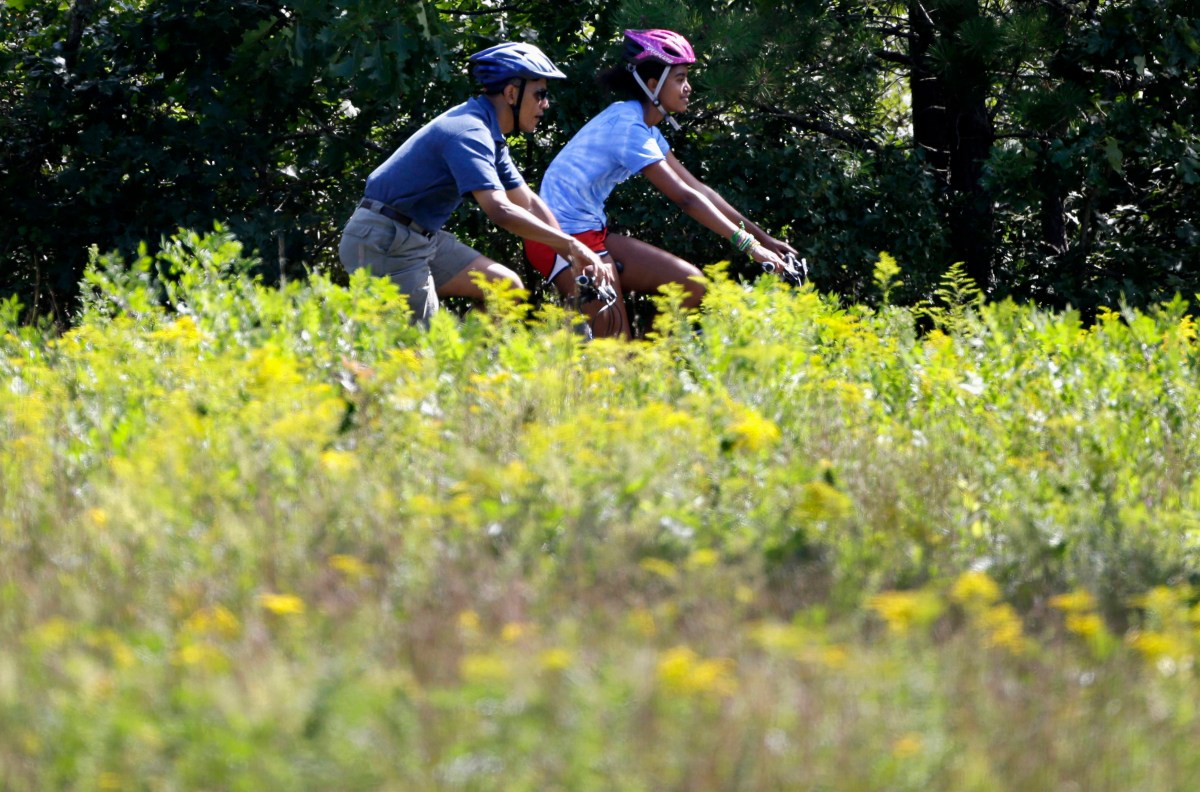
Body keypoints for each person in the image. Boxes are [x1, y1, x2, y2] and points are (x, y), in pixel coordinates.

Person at [524, 29, 797, 338]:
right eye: (679, 78)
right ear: (653, 85)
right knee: (613, 348)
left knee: (690, 286)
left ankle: (643, 367)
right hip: (558, 237)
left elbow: (698, 189)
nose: (688, 87)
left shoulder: (644, 126)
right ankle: (621, 368)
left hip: (588, 232)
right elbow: (686, 199)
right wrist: (751, 248)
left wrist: (763, 238)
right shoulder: (629, 128)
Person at [339, 42, 613, 324]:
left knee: (506, 289)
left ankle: (472, 364)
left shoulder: (489, 133)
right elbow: (500, 210)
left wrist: (569, 259)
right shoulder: (469, 132)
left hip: (416, 236)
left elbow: (528, 202)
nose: (545, 104)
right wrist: (572, 246)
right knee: (420, 354)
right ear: (510, 93)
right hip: (384, 241)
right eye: (540, 94)